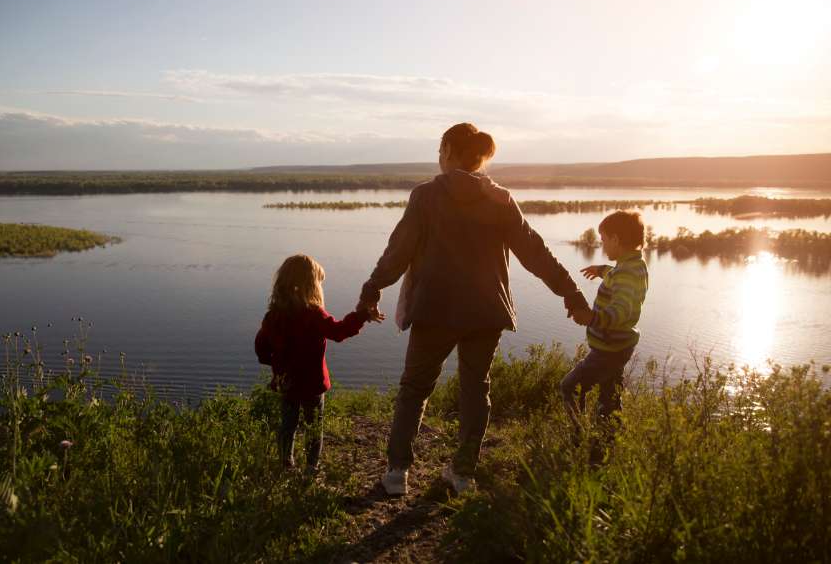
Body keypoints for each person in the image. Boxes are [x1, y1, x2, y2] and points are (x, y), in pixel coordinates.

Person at [356, 122, 589, 496]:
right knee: (476, 390)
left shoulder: (427, 196)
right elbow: (535, 253)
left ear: (448, 149)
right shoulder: (500, 198)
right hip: (486, 312)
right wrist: (571, 294)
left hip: (435, 309)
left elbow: (399, 251)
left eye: (439, 150)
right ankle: (462, 474)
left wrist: (372, 288)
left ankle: (397, 474)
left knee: (414, 389)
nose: (437, 157)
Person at [255, 254, 372, 473]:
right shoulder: (314, 315)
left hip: (286, 382)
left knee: (288, 425)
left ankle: (285, 464)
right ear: (312, 285)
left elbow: (261, 345)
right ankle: (311, 468)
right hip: (313, 384)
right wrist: (361, 315)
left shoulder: (274, 316)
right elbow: (338, 331)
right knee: (313, 427)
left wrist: (273, 363)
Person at [562, 210, 649, 442]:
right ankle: (608, 443)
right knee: (609, 398)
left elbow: (621, 311)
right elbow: (617, 277)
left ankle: (578, 439)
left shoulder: (627, 273)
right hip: (619, 347)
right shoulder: (633, 266)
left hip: (609, 350)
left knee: (570, 387)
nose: (603, 246)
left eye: (604, 240)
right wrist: (601, 270)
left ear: (616, 239)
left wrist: (592, 318)